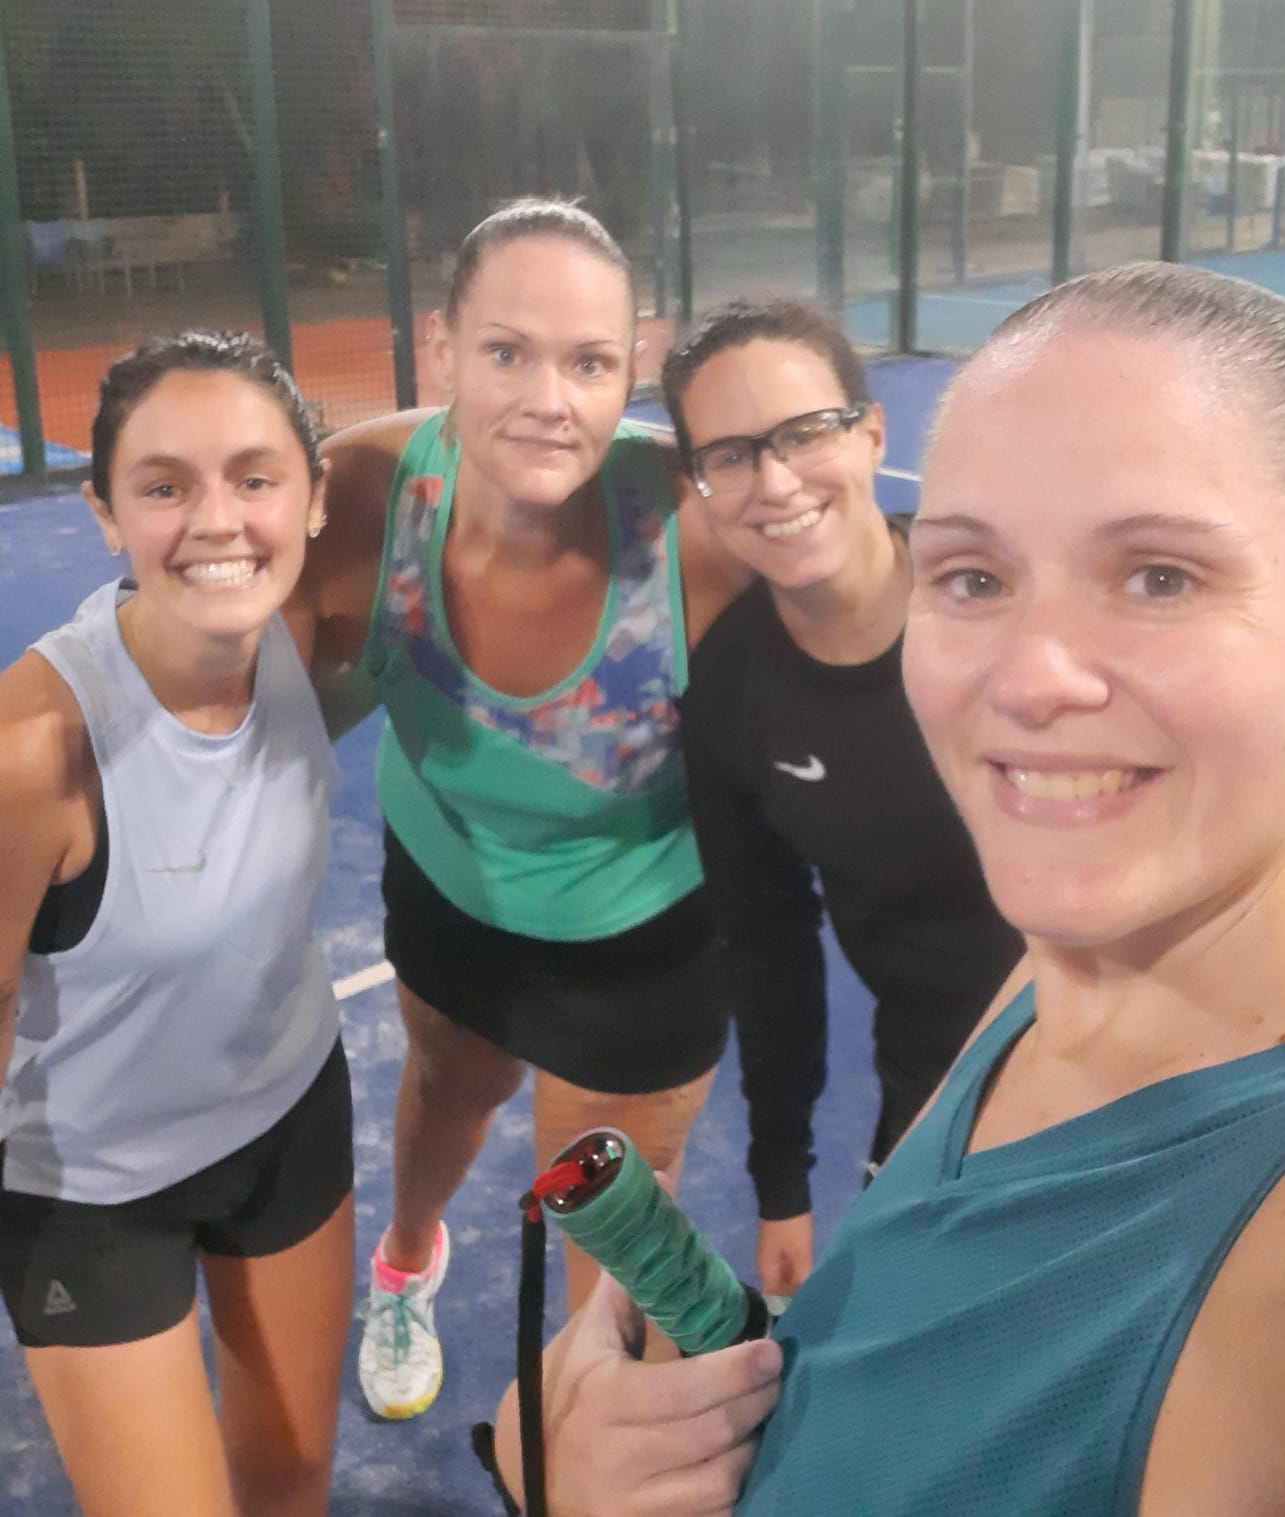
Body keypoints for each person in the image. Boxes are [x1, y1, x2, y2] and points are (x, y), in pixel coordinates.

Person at [490, 262, 1285, 1516]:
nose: (1032, 678)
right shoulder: (1080, 956)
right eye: (974, 578)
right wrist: (610, 1449)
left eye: (1160, 576)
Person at [284, 197, 749, 1421]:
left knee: (616, 1264)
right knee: (447, 1089)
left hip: (644, 936)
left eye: (588, 362)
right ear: (441, 347)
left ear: (633, 365)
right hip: (453, 886)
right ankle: (407, 1260)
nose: (549, 398)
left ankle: (598, 1436)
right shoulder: (367, 495)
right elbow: (252, 700)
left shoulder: (696, 532)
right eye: (506, 352)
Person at [0, 332, 352, 1517]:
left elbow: (457, 442)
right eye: (164, 486)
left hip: (289, 1119)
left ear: (313, 497)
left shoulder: (306, 627)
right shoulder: (31, 753)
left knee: (293, 1480)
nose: (217, 521)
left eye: (256, 477)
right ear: (105, 513)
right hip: (91, 1193)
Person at [663, 298, 1022, 1296]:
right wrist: (780, 1183)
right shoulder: (730, 692)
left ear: (871, 433)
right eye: (731, 455)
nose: (775, 481)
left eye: (805, 433)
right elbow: (767, 947)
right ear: (700, 483)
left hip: (1144, 1067)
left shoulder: (1014, 601)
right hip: (936, 1088)